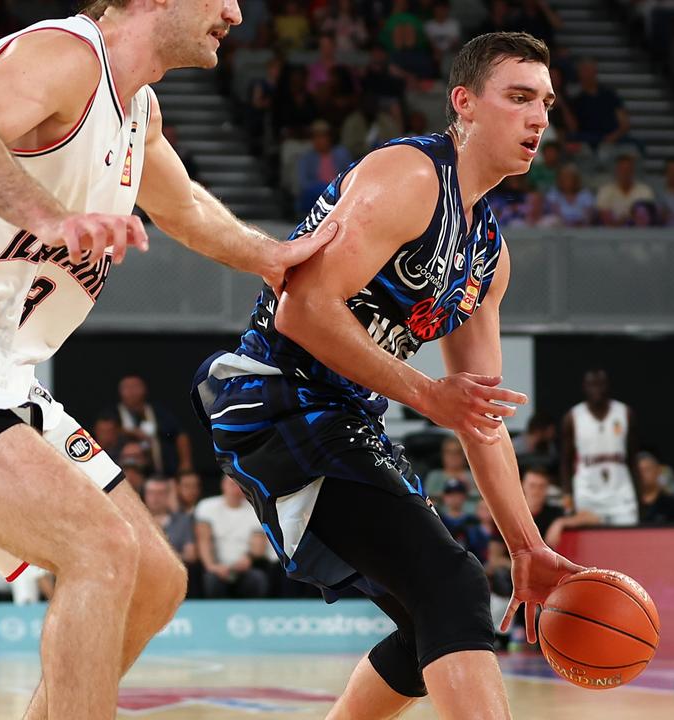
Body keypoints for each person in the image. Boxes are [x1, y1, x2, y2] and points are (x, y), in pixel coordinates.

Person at [0, 2, 335, 716]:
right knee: (99, 550)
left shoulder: (135, 112)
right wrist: (52, 220)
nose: (234, 11)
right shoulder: (66, 55)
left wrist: (275, 258)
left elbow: (184, 207)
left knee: (155, 577)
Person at [191, 32, 582, 717]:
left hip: (345, 414)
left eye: (545, 103)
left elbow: (478, 417)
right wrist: (429, 394)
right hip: (279, 390)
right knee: (453, 588)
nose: (538, 117)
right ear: (464, 104)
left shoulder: (488, 255)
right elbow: (302, 309)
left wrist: (528, 545)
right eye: (519, 97)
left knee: (429, 620)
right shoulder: (409, 175)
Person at [560, 369, 639, 527]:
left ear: (608, 386)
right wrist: (568, 496)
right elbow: (566, 461)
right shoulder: (573, 417)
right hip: (587, 495)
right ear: (584, 387)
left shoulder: (625, 413)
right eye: (592, 385)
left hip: (621, 495)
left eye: (601, 385)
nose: (597, 389)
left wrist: (638, 493)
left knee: (627, 544)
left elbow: (632, 458)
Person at [194, 475, 268, 599]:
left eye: (240, 486)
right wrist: (212, 566)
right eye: (232, 485)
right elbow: (204, 540)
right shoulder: (206, 506)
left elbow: (258, 543)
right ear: (223, 486)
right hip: (217, 566)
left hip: (245, 566)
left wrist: (248, 559)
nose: (236, 490)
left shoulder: (256, 509)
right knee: (211, 580)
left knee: (257, 579)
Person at [103, 374, 191, 475]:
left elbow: (180, 434)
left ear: (144, 389)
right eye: (126, 388)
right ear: (120, 391)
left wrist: (186, 463)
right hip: (122, 473)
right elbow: (104, 434)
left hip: (159, 472)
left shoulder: (158, 412)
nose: (131, 392)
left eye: (135, 387)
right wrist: (131, 432)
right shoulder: (112, 413)